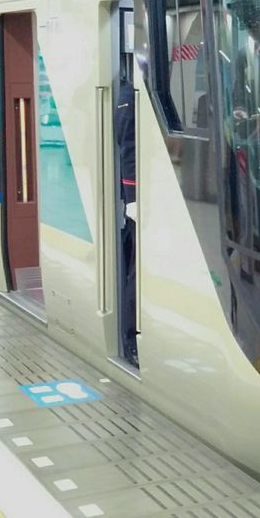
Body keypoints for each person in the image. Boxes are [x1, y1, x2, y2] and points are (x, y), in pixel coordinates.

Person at [114, 73, 138, 365]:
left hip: (147, 195)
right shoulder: (129, 96)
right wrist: (132, 198)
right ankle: (131, 340)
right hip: (137, 197)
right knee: (136, 270)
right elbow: (128, 149)